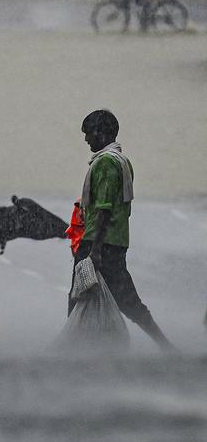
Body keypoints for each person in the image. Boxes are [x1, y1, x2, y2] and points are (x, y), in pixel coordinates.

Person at [72, 109, 174, 351]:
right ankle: (163, 344)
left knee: (80, 294)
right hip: (117, 241)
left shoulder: (105, 163)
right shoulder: (122, 161)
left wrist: (94, 250)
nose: (87, 139)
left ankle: (75, 350)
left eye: (90, 133)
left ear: (104, 132)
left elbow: (104, 207)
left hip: (99, 242)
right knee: (127, 300)